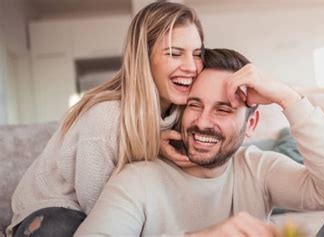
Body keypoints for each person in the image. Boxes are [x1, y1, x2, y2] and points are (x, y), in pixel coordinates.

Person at [75, 48, 324, 237]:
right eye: (194, 105)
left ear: (251, 125)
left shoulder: (258, 169)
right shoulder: (138, 180)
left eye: (223, 110)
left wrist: (287, 97)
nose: (202, 122)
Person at [8, 2, 204, 236]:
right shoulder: (107, 116)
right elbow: (101, 214)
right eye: (174, 53)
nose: (192, 67)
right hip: (53, 210)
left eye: (198, 54)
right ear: (144, 57)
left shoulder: (181, 115)